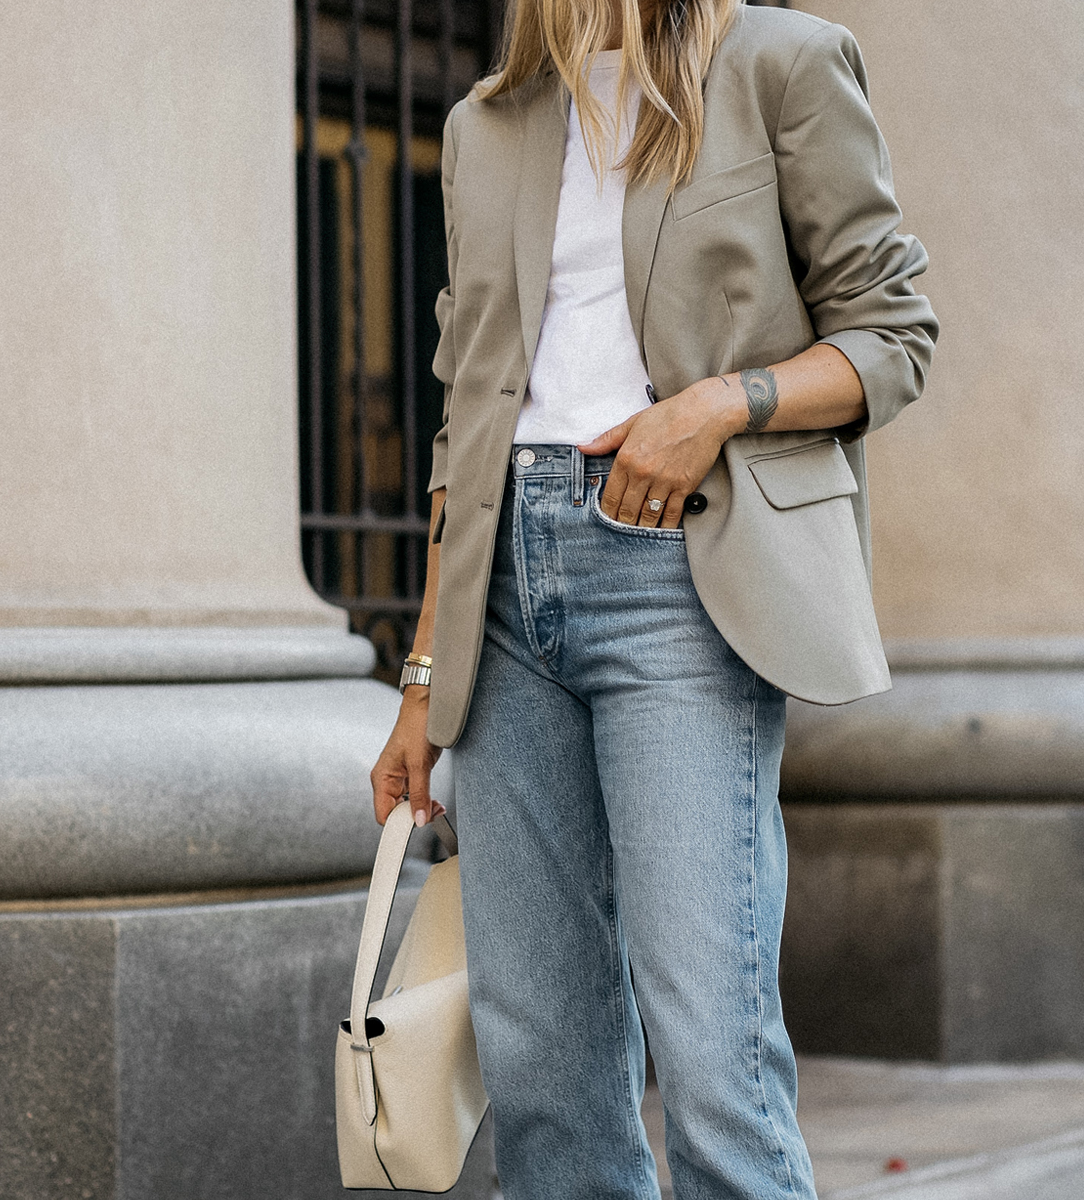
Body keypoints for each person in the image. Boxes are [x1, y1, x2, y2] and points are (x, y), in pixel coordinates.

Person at [368, 0, 936, 1195]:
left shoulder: (780, 66)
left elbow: (891, 335)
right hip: (507, 595)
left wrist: (717, 407)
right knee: (541, 1057)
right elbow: (465, 420)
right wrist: (425, 676)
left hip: (679, 576)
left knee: (709, 1042)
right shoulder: (490, 123)